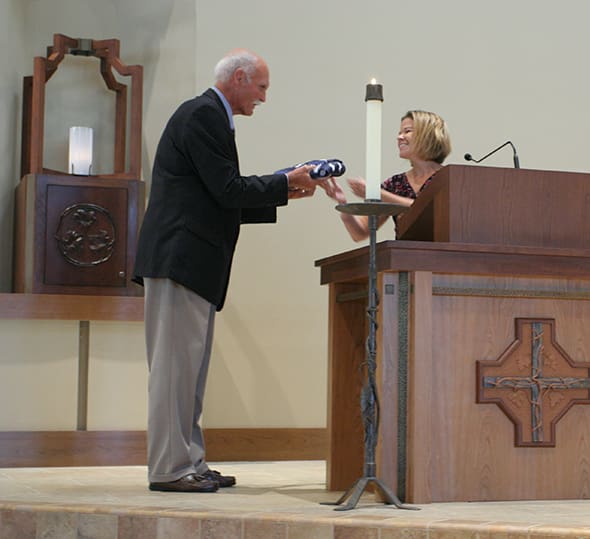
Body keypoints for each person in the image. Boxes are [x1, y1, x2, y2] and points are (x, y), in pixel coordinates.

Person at [133, 49, 331, 493]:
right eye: (261, 87)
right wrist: (286, 182)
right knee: (173, 373)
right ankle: (169, 468)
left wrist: (286, 190)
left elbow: (215, 197)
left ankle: (190, 462)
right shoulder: (202, 113)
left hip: (193, 261)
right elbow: (226, 190)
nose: (263, 97)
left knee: (191, 373)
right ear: (239, 78)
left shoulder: (210, 116)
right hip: (179, 259)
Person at [325, 110, 451, 241]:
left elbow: (430, 211)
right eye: (399, 133)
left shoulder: (449, 178)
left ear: (428, 136)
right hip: (405, 258)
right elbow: (360, 233)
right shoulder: (395, 184)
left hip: (444, 258)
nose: (399, 137)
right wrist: (343, 204)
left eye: (407, 131)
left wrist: (378, 194)